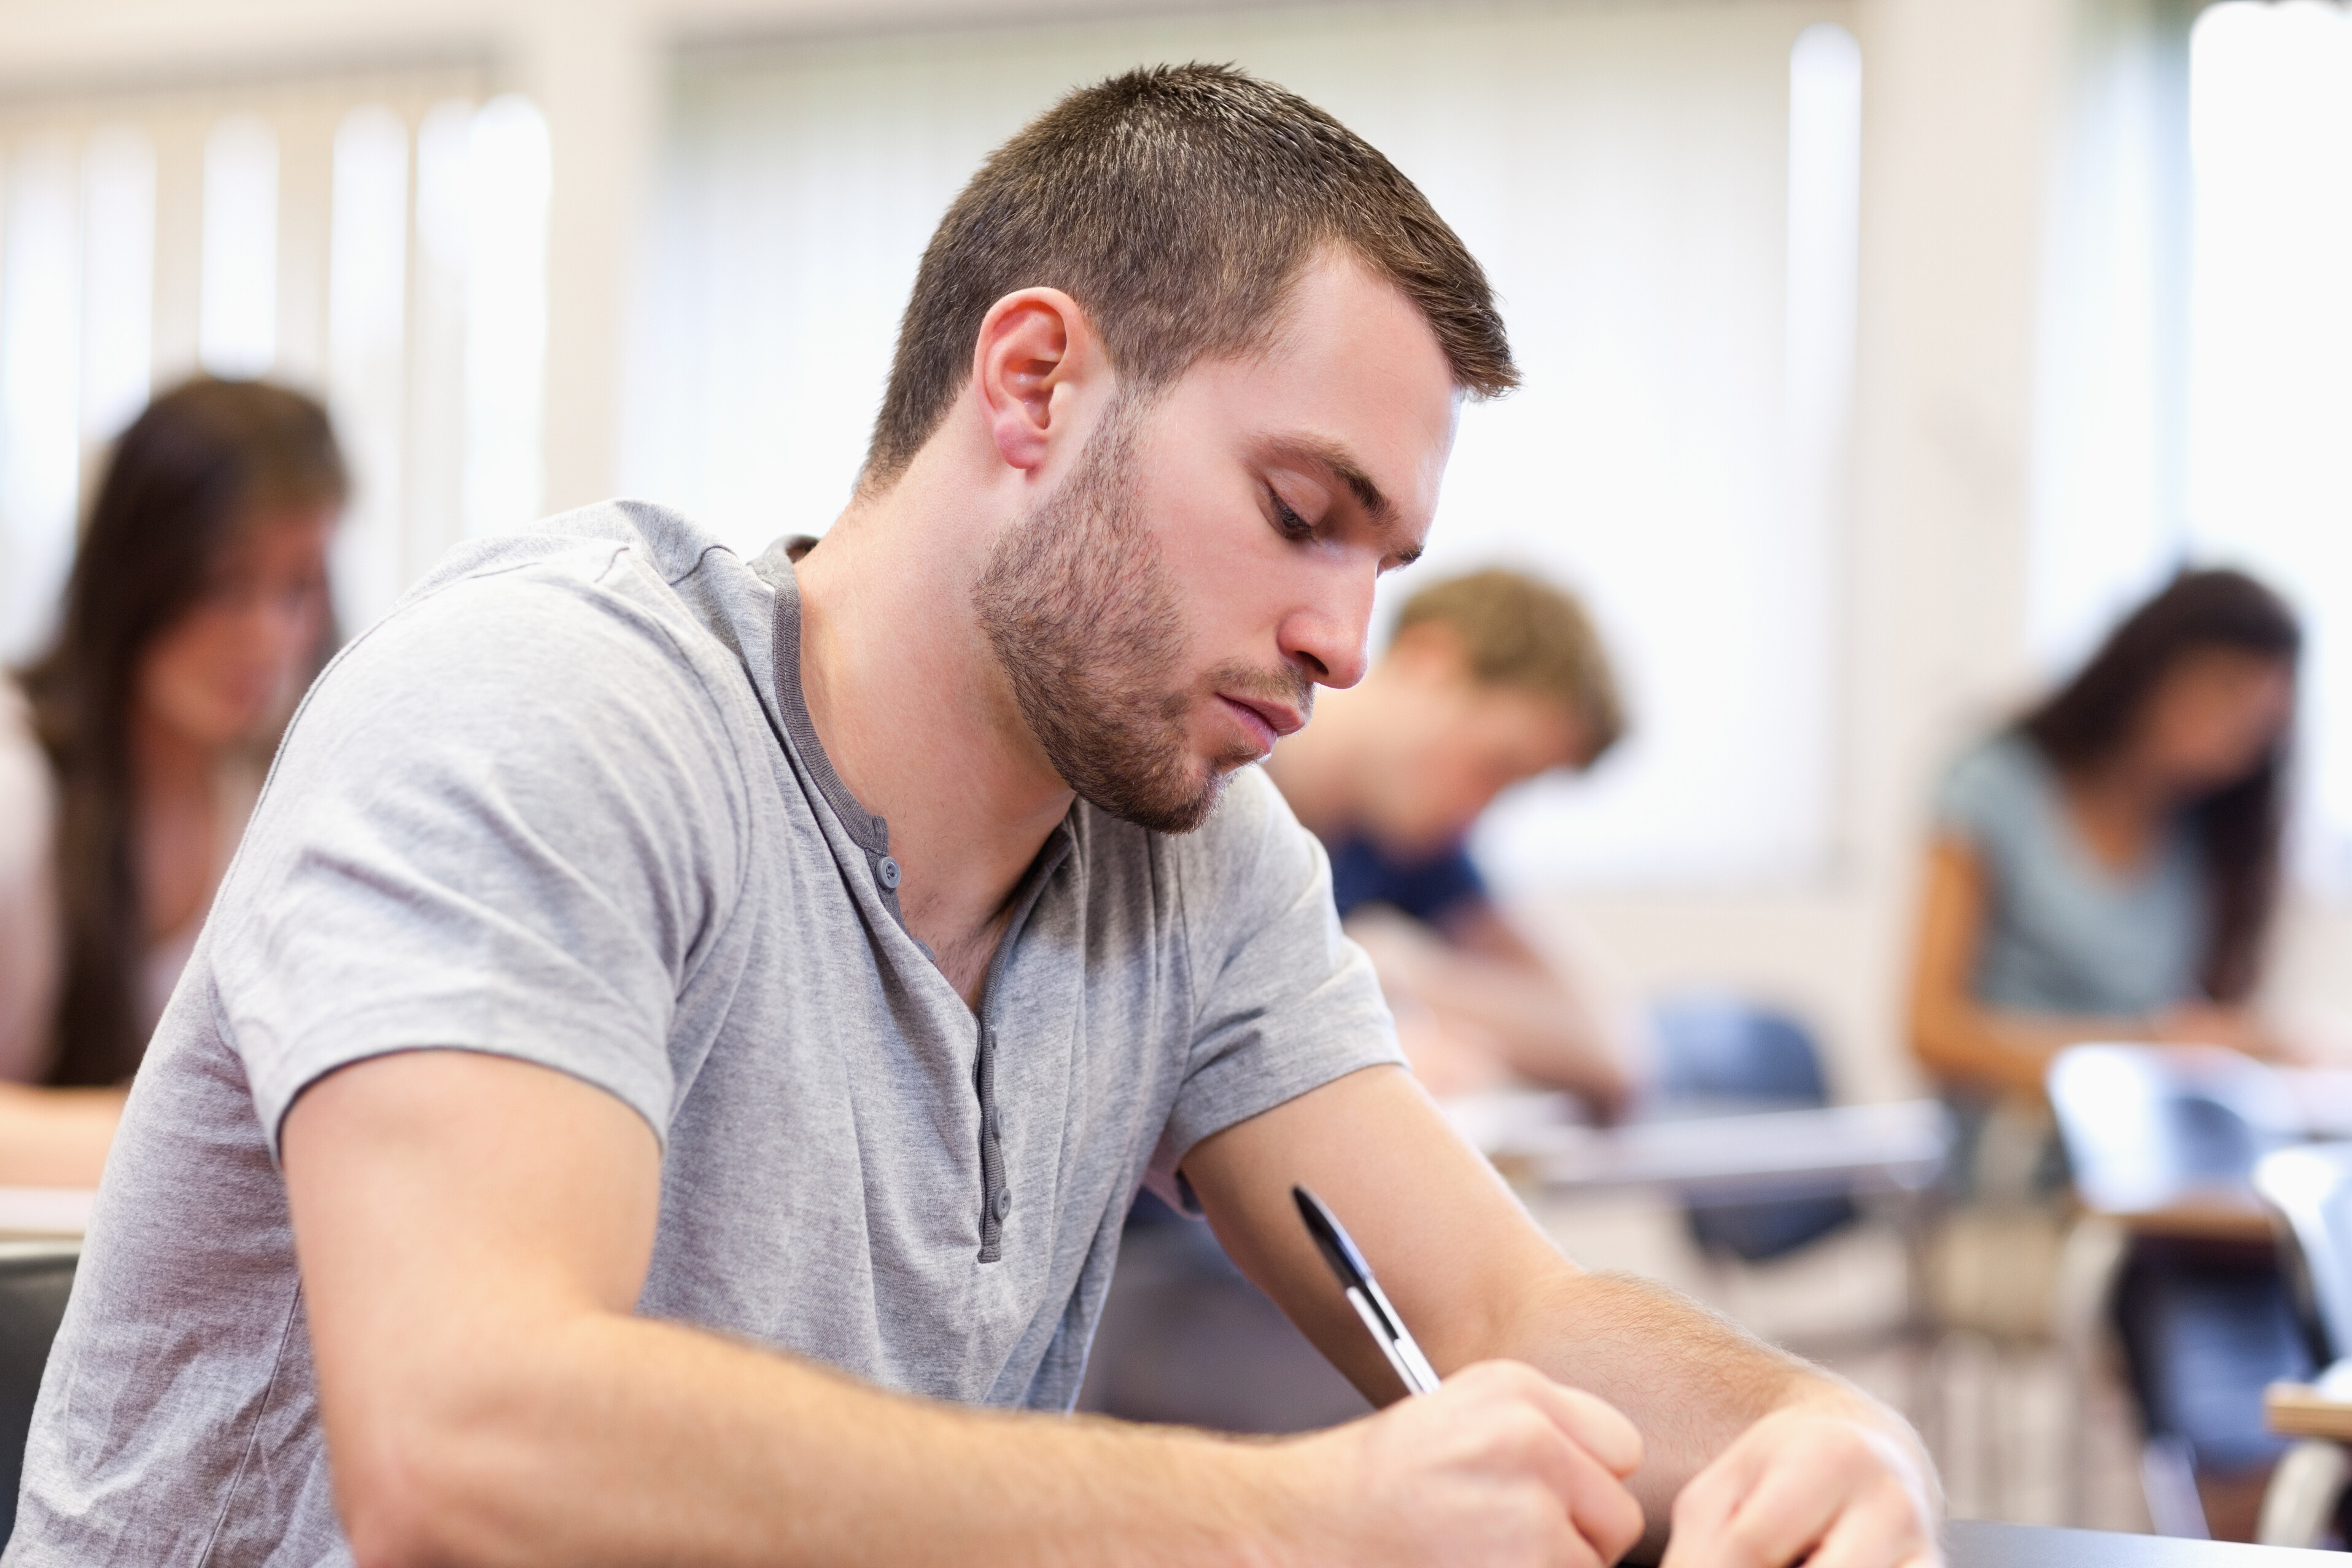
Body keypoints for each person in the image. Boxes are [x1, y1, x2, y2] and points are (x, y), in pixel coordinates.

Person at [11, 67, 1937, 1568]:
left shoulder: (1195, 850)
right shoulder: (542, 710)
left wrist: (1826, 1429)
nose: (1345, 643)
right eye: (1297, 511)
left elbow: (1500, 1299)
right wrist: (1289, 1515)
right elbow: (470, 1443)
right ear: (1032, 382)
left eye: (1386, 559)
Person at [1906, 566, 2303, 1537]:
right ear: (2143, 671)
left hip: (2185, 1188)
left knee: (2299, 1258)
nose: (2227, 743)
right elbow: (1930, 1028)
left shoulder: (2199, 826)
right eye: (2214, 704)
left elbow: (2199, 1024)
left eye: (2255, 727)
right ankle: (2243, 1524)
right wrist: (2141, 1053)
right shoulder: (1993, 784)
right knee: (2194, 1291)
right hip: (2028, 1182)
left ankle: (2273, 1515)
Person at [0, 378, 340, 1187]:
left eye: (296, 589)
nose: (269, 636)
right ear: (139, 573)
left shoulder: (273, 799)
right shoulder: (19, 776)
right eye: (227, 584)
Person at [1266, 567, 1637, 1111]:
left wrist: (1407, 970)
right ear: (1430, 660)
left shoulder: (1410, 848)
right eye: (1495, 765)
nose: (1479, 811)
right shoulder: (1224, 790)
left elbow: (1612, 1052)